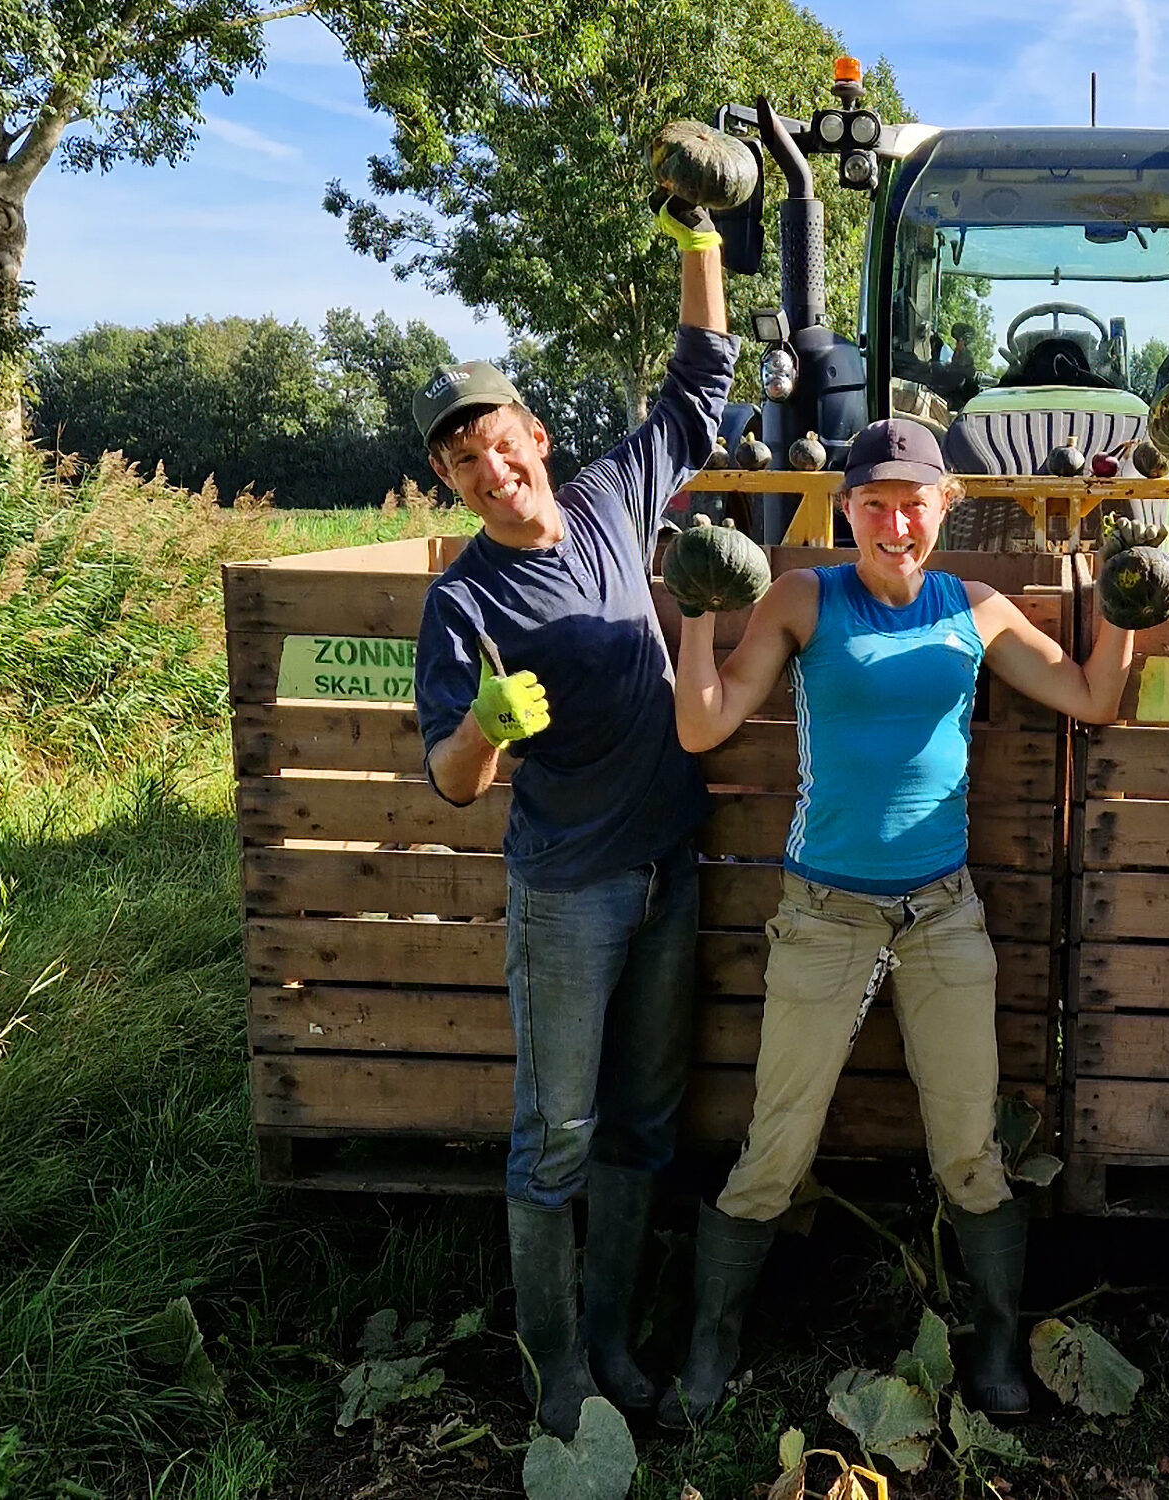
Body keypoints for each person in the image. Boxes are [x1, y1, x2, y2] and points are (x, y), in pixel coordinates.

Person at [658, 418, 1151, 1426]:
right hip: (824, 912)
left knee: (969, 1147)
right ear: (847, 508)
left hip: (942, 913)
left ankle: (1000, 1346)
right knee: (775, 1149)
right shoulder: (805, 597)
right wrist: (698, 612)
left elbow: (1093, 697)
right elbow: (702, 723)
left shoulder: (973, 608)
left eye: (913, 500)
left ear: (942, 507)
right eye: (874, 501)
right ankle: (709, 1348)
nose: (895, 519)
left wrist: (1128, 591)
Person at [410, 199, 736, 1439]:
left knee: (645, 1127)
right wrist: (485, 724)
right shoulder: (462, 604)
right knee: (555, 1134)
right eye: (460, 465)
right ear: (448, 481)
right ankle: (555, 1369)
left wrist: (698, 237)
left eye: (498, 446)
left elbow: (699, 387)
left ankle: (610, 1337)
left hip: (668, 872)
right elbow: (449, 781)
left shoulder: (609, 500)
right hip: (569, 895)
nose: (490, 475)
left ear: (533, 438)